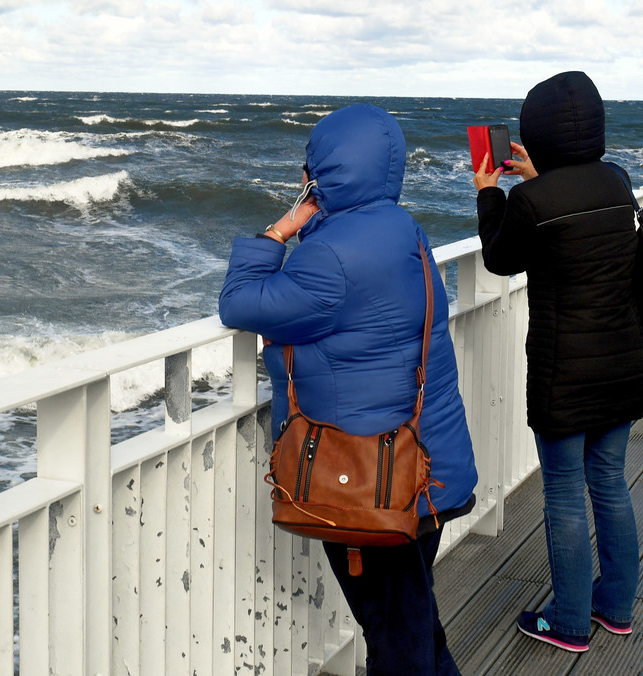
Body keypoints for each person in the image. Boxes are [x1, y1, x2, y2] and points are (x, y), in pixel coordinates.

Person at [219, 104, 478, 675]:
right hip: (427, 466)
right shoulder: (401, 228)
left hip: (369, 483)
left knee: (397, 643)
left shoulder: (331, 255)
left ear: (321, 173)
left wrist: (279, 231)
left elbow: (238, 303)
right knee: (413, 622)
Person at [474, 70, 643, 653]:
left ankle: (568, 622)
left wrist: (489, 191)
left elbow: (500, 259)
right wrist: (538, 181)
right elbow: (580, 210)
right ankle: (616, 606)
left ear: (534, 132)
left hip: (561, 374)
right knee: (610, 484)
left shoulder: (530, 200)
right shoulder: (620, 183)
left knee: (565, 490)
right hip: (623, 363)